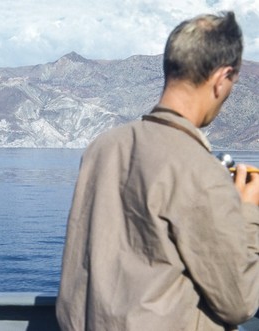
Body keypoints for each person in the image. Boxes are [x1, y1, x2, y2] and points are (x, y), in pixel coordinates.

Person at [56, 11, 259, 331]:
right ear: (222, 79)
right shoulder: (199, 170)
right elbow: (240, 302)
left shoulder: (102, 148)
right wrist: (246, 213)